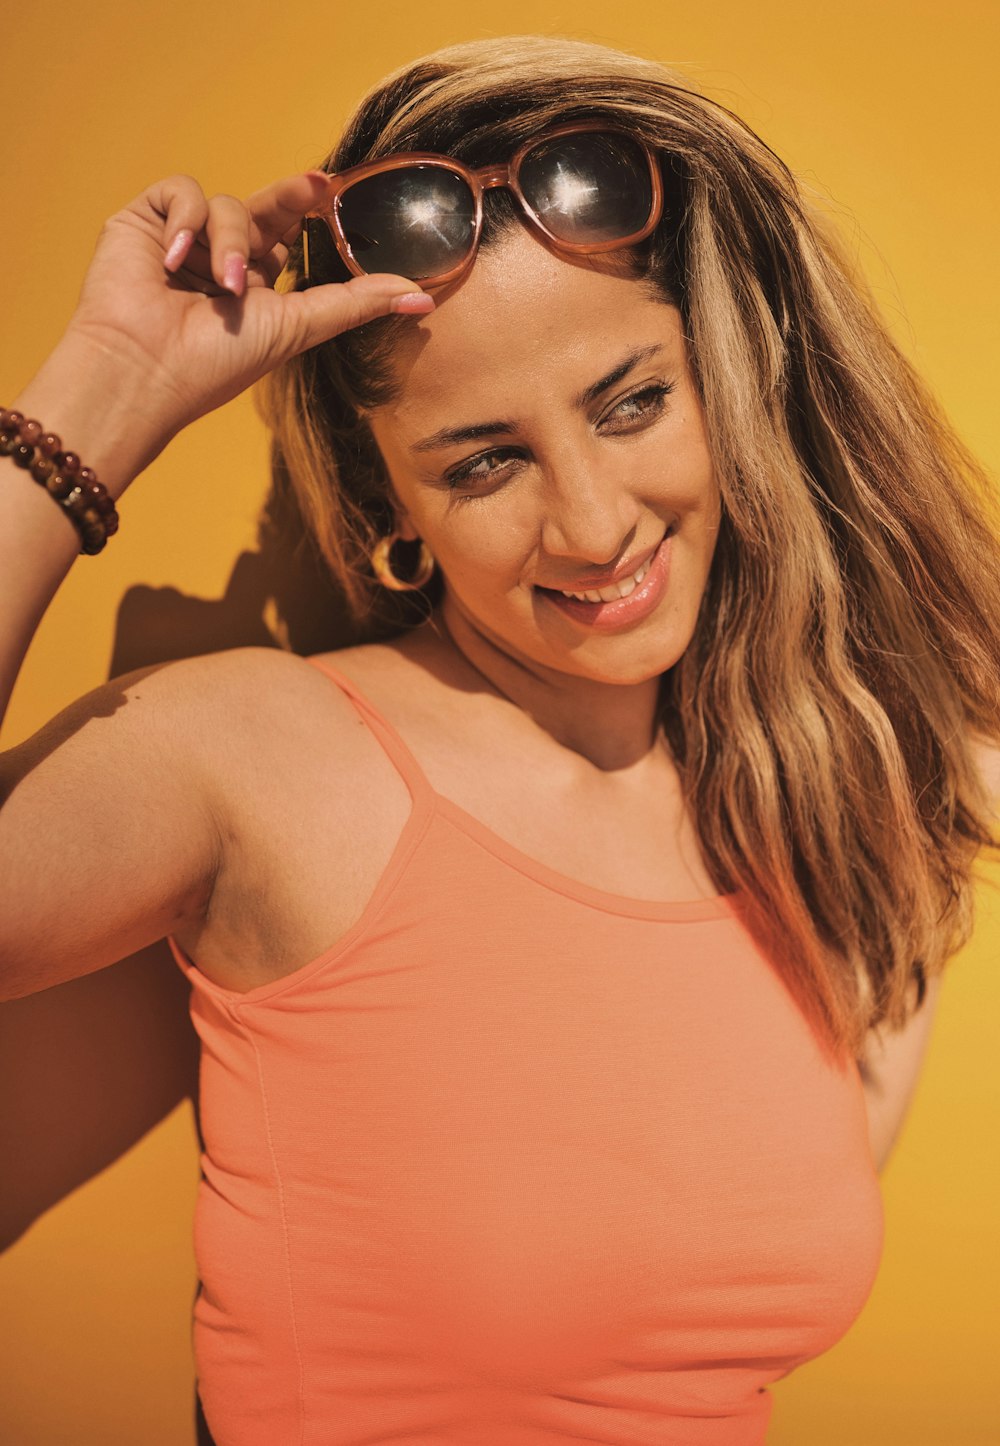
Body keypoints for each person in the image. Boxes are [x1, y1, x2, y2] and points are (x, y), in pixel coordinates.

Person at [2, 31, 998, 1446]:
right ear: (387, 497)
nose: (592, 524)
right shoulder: (259, 757)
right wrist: (101, 392)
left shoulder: (798, 795)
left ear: (727, 377)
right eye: (484, 461)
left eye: (634, 402)